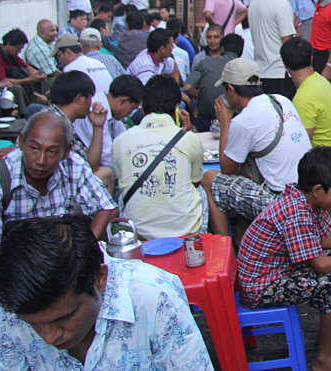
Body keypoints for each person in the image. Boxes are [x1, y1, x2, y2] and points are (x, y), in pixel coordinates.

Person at [0, 215, 213, 370]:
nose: (49, 337)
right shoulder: (4, 315)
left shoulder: (154, 297)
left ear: (100, 279)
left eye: (63, 318)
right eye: (34, 325)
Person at [237, 147, 331, 371]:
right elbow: (320, 263)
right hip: (262, 285)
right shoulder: (296, 211)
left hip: (278, 270)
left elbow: (325, 239)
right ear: (318, 189)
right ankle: (323, 359)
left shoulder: (308, 199)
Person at [0, 111, 118, 258]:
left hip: (61, 256)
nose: (40, 160)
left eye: (51, 151)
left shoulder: (73, 165)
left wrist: (85, 249)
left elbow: (107, 208)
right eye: (34, 148)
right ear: (21, 142)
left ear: (66, 152)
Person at [201, 59, 311, 237]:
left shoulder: (242, 122)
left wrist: (225, 122)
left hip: (279, 200)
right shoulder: (281, 100)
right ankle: (241, 234)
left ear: (230, 89)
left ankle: (225, 247)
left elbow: (227, 170)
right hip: (305, 191)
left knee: (209, 179)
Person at [113, 75, 209, 240]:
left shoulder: (120, 141)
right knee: (200, 190)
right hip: (185, 231)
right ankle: (207, 241)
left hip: (139, 234)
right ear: (177, 108)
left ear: (142, 107)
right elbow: (195, 182)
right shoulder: (189, 138)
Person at [44, 71, 116, 194]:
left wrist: (98, 126)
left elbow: (90, 164)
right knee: (108, 173)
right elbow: (90, 168)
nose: (91, 103)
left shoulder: (54, 116)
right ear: (79, 99)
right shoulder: (57, 124)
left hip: (55, 183)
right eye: (90, 97)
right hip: (53, 190)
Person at [282, 38, 331, 156]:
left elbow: (301, 144)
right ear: (311, 58)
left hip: (323, 163)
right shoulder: (321, 81)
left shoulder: (303, 97)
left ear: (285, 64)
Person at [249, 0, 297, 99]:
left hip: (260, 72)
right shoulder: (281, 4)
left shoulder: (255, 2)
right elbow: (287, 43)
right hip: (279, 73)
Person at [185, 32, 243, 132]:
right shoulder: (245, 66)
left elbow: (188, 87)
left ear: (222, 48)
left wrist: (203, 98)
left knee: (193, 103)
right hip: (237, 119)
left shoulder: (204, 62)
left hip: (206, 120)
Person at [0, 29, 45, 113]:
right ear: (8, 44)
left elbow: (26, 66)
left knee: (36, 82)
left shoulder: (10, 54)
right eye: (18, 49)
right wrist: (28, 80)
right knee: (16, 88)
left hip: (7, 81)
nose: (19, 52)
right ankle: (23, 113)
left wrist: (35, 73)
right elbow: (1, 81)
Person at [55, 34, 112, 98]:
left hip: (92, 106)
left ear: (68, 52)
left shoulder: (71, 68)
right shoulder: (97, 63)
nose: (59, 60)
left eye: (59, 56)